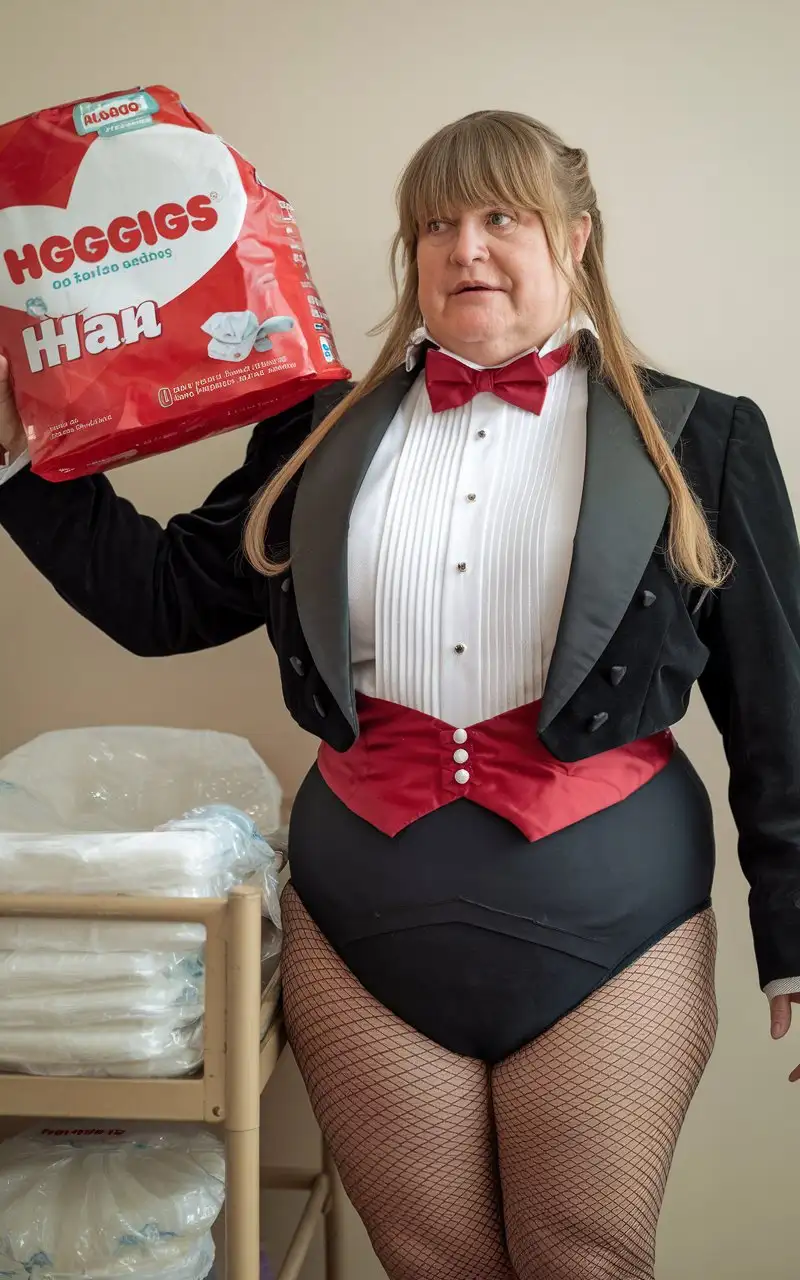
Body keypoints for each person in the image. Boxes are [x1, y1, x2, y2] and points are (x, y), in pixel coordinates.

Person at [1, 109, 799, 1280]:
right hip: (358, 928)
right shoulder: (314, 427)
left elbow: (774, 697)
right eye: (434, 223)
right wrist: (20, 457)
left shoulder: (704, 434)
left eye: (499, 216)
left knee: (585, 1256)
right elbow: (168, 600)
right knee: (426, 1260)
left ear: (574, 238)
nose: (463, 247)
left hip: (613, 928)